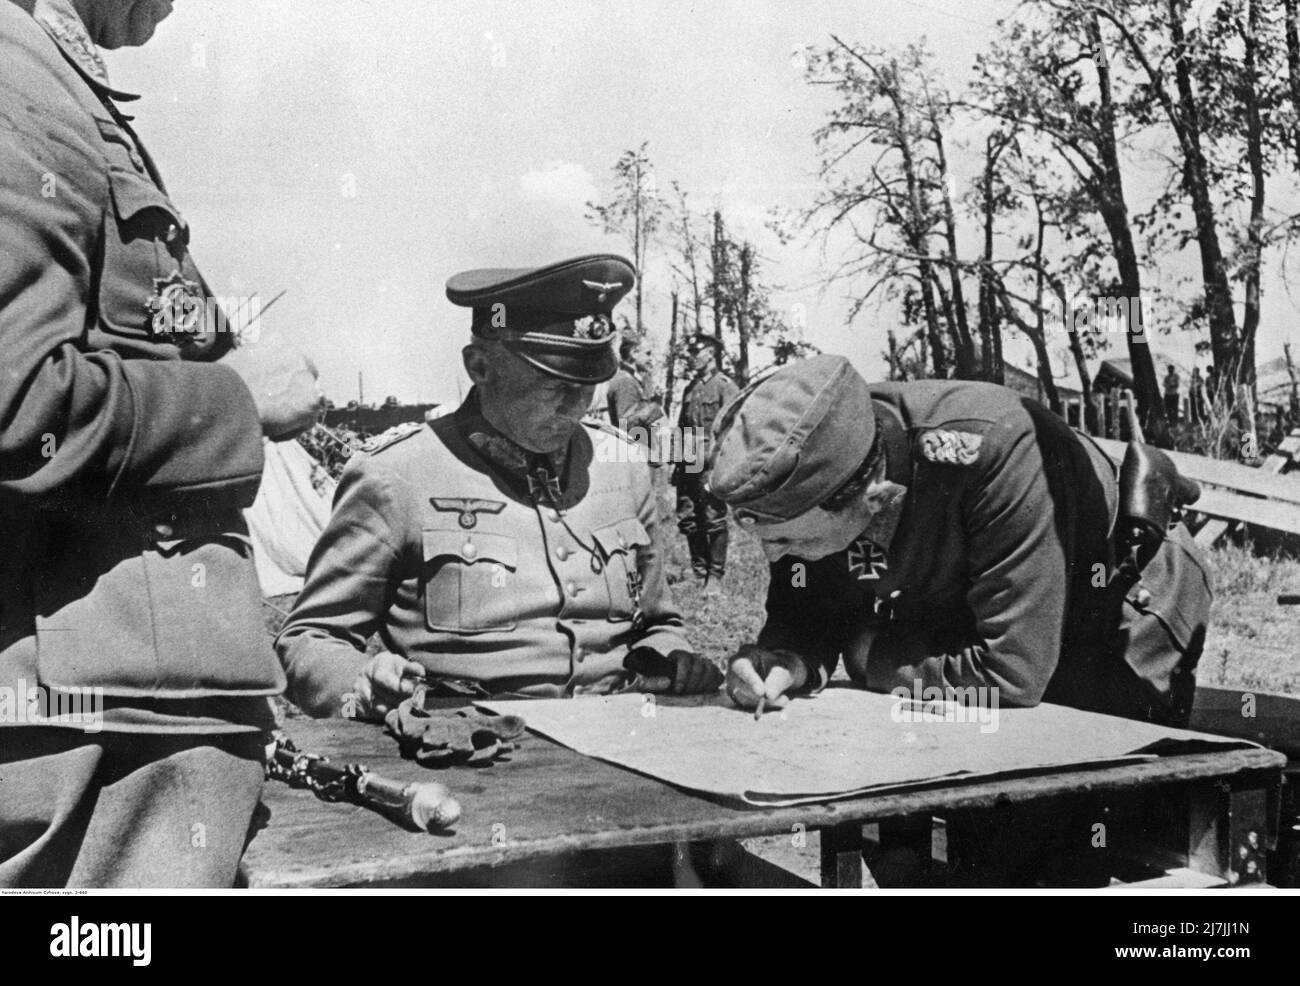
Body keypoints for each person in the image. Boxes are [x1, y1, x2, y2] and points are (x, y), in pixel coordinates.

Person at [0, 0, 321, 887]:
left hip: (129, 715)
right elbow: (18, 403)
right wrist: (238, 400)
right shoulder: (14, 68)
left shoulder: (53, 73)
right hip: (100, 731)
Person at [277, 255, 720, 719]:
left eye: (586, 386)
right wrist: (362, 683)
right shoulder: (398, 475)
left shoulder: (620, 465)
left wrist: (670, 656)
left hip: (619, 739)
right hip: (473, 753)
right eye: (552, 386)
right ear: (480, 367)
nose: (574, 409)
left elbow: (659, 623)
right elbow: (308, 639)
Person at [714, 355, 1211, 729]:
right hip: (971, 613)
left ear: (871, 499)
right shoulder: (824, 468)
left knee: (1087, 803)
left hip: (1117, 603)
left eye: (786, 541)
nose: (778, 557)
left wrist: (870, 657)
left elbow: (1012, 674)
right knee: (908, 821)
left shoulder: (995, 451)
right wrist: (786, 657)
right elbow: (811, 605)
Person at [673, 333, 738, 595]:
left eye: (695, 353)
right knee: (688, 515)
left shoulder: (725, 386)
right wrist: (678, 463)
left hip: (711, 462)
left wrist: (721, 464)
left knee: (712, 516)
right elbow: (681, 427)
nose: (690, 358)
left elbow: (733, 429)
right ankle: (698, 573)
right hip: (689, 458)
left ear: (710, 354)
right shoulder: (690, 389)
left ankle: (715, 577)